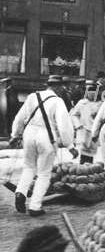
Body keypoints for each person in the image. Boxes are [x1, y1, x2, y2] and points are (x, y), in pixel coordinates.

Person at [9, 75, 77, 216]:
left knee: (28, 166)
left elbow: (19, 118)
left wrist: (14, 136)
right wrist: (70, 145)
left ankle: (20, 192)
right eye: (62, 87)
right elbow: (64, 125)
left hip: (28, 135)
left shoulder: (32, 97)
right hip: (46, 137)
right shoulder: (58, 101)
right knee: (44, 173)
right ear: (57, 87)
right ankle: (35, 206)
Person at [70, 80, 101, 163]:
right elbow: (74, 114)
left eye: (93, 91)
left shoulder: (99, 104)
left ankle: (89, 167)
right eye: (89, 92)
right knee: (83, 152)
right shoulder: (82, 103)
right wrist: (78, 125)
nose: (91, 94)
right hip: (84, 130)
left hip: (94, 130)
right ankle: (83, 166)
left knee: (91, 152)